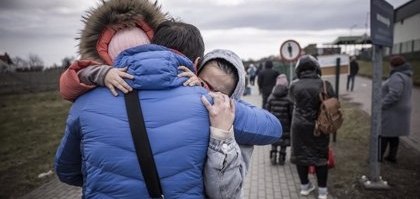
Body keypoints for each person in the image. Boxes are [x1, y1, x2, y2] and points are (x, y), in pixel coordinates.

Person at [55, 1, 281, 197]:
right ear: (196, 63)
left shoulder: (86, 102)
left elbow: (66, 171)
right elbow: (272, 129)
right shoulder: (207, 103)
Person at [289, 55, 335, 199]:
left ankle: (304, 187)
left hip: (299, 126)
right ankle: (322, 192)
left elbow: (292, 102)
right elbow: (333, 103)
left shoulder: (294, 85)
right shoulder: (325, 84)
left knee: (300, 156)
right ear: (317, 68)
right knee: (320, 157)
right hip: (319, 126)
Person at [379, 55, 413, 163]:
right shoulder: (406, 76)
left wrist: (381, 104)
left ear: (393, 65)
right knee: (394, 134)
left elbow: (394, 94)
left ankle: (377, 157)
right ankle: (392, 156)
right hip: (400, 110)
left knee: (383, 133)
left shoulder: (397, 76)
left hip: (392, 110)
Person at [265, 74, 293, 165]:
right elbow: (291, 112)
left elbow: (267, 109)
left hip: (274, 123)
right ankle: (282, 157)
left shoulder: (271, 96)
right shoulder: (288, 97)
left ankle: (273, 155)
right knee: (284, 140)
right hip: (286, 124)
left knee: (274, 139)